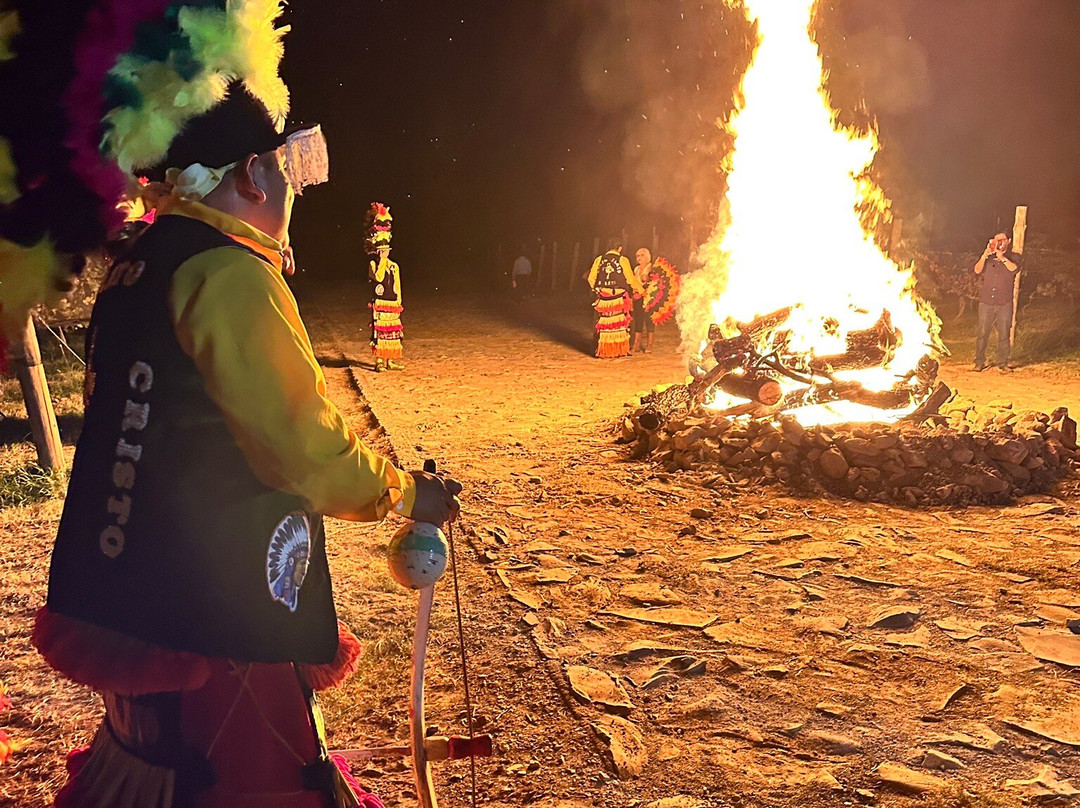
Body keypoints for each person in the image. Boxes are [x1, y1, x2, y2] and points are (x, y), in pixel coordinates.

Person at [24, 6, 461, 807]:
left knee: (157, 768)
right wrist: (404, 493)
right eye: (288, 170)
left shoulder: (143, 261)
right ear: (254, 176)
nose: (293, 190)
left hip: (134, 595)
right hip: (219, 611)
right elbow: (302, 450)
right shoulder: (228, 273)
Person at [972, 230, 1021, 372]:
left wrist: (1002, 257)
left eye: (1002, 240)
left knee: (1004, 333)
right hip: (986, 301)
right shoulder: (988, 258)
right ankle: (979, 362)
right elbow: (977, 270)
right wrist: (985, 254)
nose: (999, 242)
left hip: (1004, 302)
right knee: (982, 332)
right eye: (996, 240)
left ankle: (1003, 363)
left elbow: (1014, 269)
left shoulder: (1014, 257)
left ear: (1008, 241)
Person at [587, 240, 645, 358]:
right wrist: (641, 290)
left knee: (606, 324)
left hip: (604, 297)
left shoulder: (599, 259)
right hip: (618, 297)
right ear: (619, 248)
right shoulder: (622, 260)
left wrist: (596, 289)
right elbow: (630, 279)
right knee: (619, 324)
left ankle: (605, 351)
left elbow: (591, 278)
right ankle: (619, 350)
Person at [365, 203, 404, 371]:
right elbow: (378, 277)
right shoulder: (373, 264)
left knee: (392, 333)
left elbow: (398, 286)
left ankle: (390, 360)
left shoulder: (394, 266)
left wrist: (399, 302)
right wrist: (382, 261)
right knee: (380, 333)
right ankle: (380, 361)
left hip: (392, 303)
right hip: (380, 303)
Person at [630, 247, 656, 354]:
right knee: (638, 320)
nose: (639, 258)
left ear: (647, 256)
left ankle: (649, 344)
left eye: (642, 255)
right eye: (638, 256)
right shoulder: (636, 269)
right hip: (637, 297)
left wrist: (648, 279)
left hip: (649, 298)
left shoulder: (652, 268)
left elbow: (655, 283)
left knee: (649, 320)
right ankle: (636, 344)